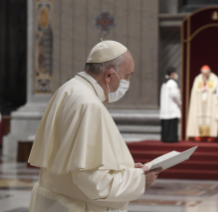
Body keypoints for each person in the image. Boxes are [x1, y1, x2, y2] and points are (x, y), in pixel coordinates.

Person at [28, 40, 161, 212]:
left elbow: (78, 161)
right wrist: (140, 179)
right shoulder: (89, 105)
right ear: (109, 75)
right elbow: (94, 183)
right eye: (127, 76)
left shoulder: (69, 89)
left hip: (56, 202)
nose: (126, 83)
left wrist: (123, 170)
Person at [187, 65, 218, 142]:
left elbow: (216, 89)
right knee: (199, 118)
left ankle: (211, 135)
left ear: (209, 72)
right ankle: (199, 135)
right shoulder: (198, 78)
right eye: (203, 73)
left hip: (210, 103)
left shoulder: (214, 78)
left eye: (206, 73)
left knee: (211, 118)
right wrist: (203, 85)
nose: (205, 75)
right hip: (200, 103)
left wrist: (206, 84)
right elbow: (195, 90)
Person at [159, 67, 181, 143]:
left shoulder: (165, 82)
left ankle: (166, 138)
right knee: (172, 123)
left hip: (166, 107)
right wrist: (179, 101)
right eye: (175, 73)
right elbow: (175, 95)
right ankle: (171, 138)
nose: (176, 75)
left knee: (166, 124)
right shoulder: (172, 83)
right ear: (172, 74)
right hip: (172, 107)